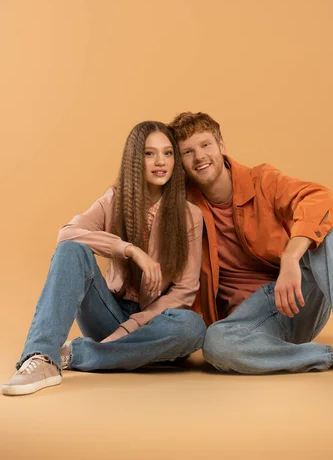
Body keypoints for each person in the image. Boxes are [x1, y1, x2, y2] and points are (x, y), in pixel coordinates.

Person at [169, 111, 333, 387]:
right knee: (216, 345)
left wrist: (291, 257)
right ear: (181, 163)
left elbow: (319, 198)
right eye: (187, 152)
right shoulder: (184, 207)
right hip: (251, 324)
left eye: (205, 145)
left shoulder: (261, 180)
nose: (199, 157)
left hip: (295, 298)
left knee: (322, 233)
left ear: (221, 146)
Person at [2, 121, 206, 396]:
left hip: (152, 323)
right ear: (136, 159)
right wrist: (129, 249)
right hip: (107, 312)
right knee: (71, 250)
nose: (160, 162)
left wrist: (131, 326)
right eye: (149, 153)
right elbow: (68, 233)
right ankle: (43, 358)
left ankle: (76, 355)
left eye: (168, 153)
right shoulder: (115, 199)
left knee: (192, 328)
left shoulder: (189, 215)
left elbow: (185, 290)